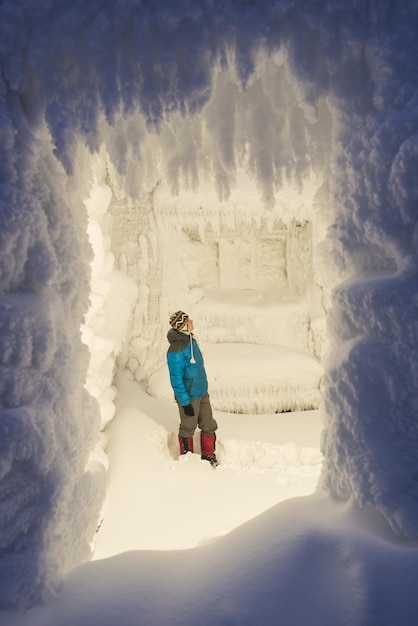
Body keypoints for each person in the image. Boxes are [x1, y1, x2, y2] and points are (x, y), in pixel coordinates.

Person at [166, 310, 218, 467]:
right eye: (189, 320)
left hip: (202, 392)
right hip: (189, 396)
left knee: (209, 424)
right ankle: (188, 461)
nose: (192, 321)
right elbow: (176, 379)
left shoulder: (190, 340)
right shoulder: (176, 349)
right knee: (188, 427)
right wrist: (185, 402)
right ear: (182, 325)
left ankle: (208, 455)